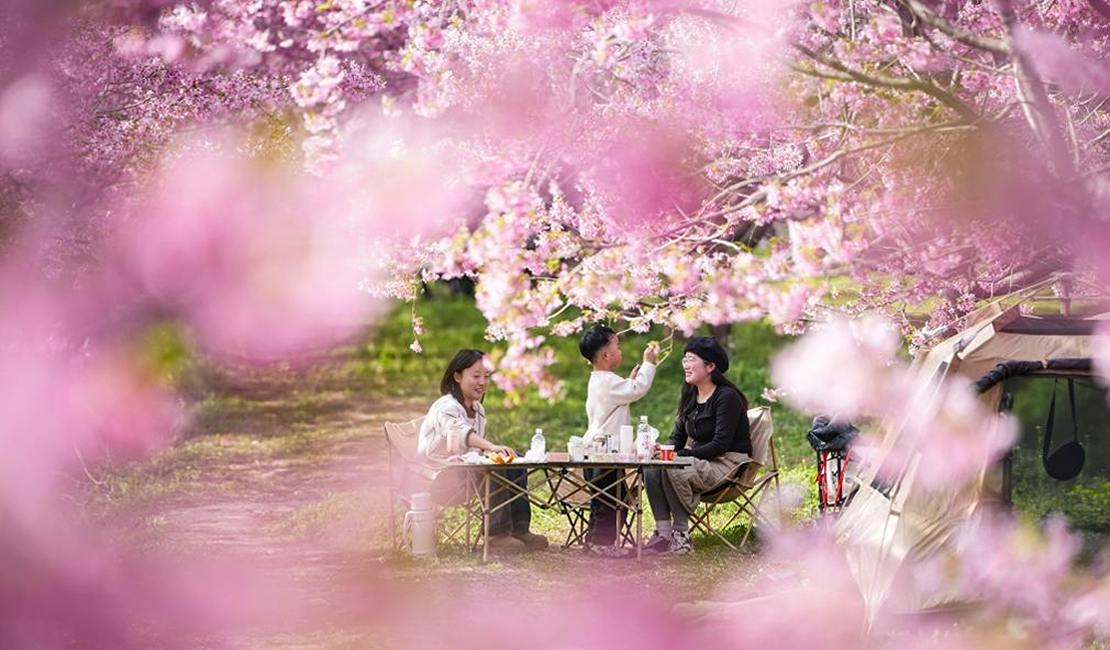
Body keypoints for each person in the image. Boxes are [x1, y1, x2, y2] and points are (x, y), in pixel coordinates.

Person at [417, 349, 549, 554]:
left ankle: (519, 529)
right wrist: (491, 447)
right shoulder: (445, 406)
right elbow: (461, 433)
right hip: (438, 480)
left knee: (513, 461)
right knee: (493, 468)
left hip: (464, 474)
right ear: (458, 376)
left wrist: (495, 453)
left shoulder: (478, 410)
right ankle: (496, 535)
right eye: (476, 376)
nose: (482, 382)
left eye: (486, 377)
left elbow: (471, 452)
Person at [643, 336, 751, 555]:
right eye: (684, 359)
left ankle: (681, 537)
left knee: (675, 467)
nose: (685, 364)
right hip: (700, 460)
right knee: (652, 466)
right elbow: (677, 436)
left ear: (710, 366)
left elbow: (720, 445)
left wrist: (681, 455)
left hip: (726, 463)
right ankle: (663, 535)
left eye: (691, 359)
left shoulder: (727, 397)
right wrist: (664, 451)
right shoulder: (690, 394)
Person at [580, 325, 658, 557]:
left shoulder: (601, 380)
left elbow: (624, 392)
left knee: (609, 501)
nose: (620, 350)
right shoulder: (606, 381)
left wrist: (629, 381)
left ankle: (595, 542)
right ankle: (601, 544)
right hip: (605, 454)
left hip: (598, 451)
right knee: (609, 503)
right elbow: (637, 389)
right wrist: (649, 363)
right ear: (605, 354)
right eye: (617, 346)